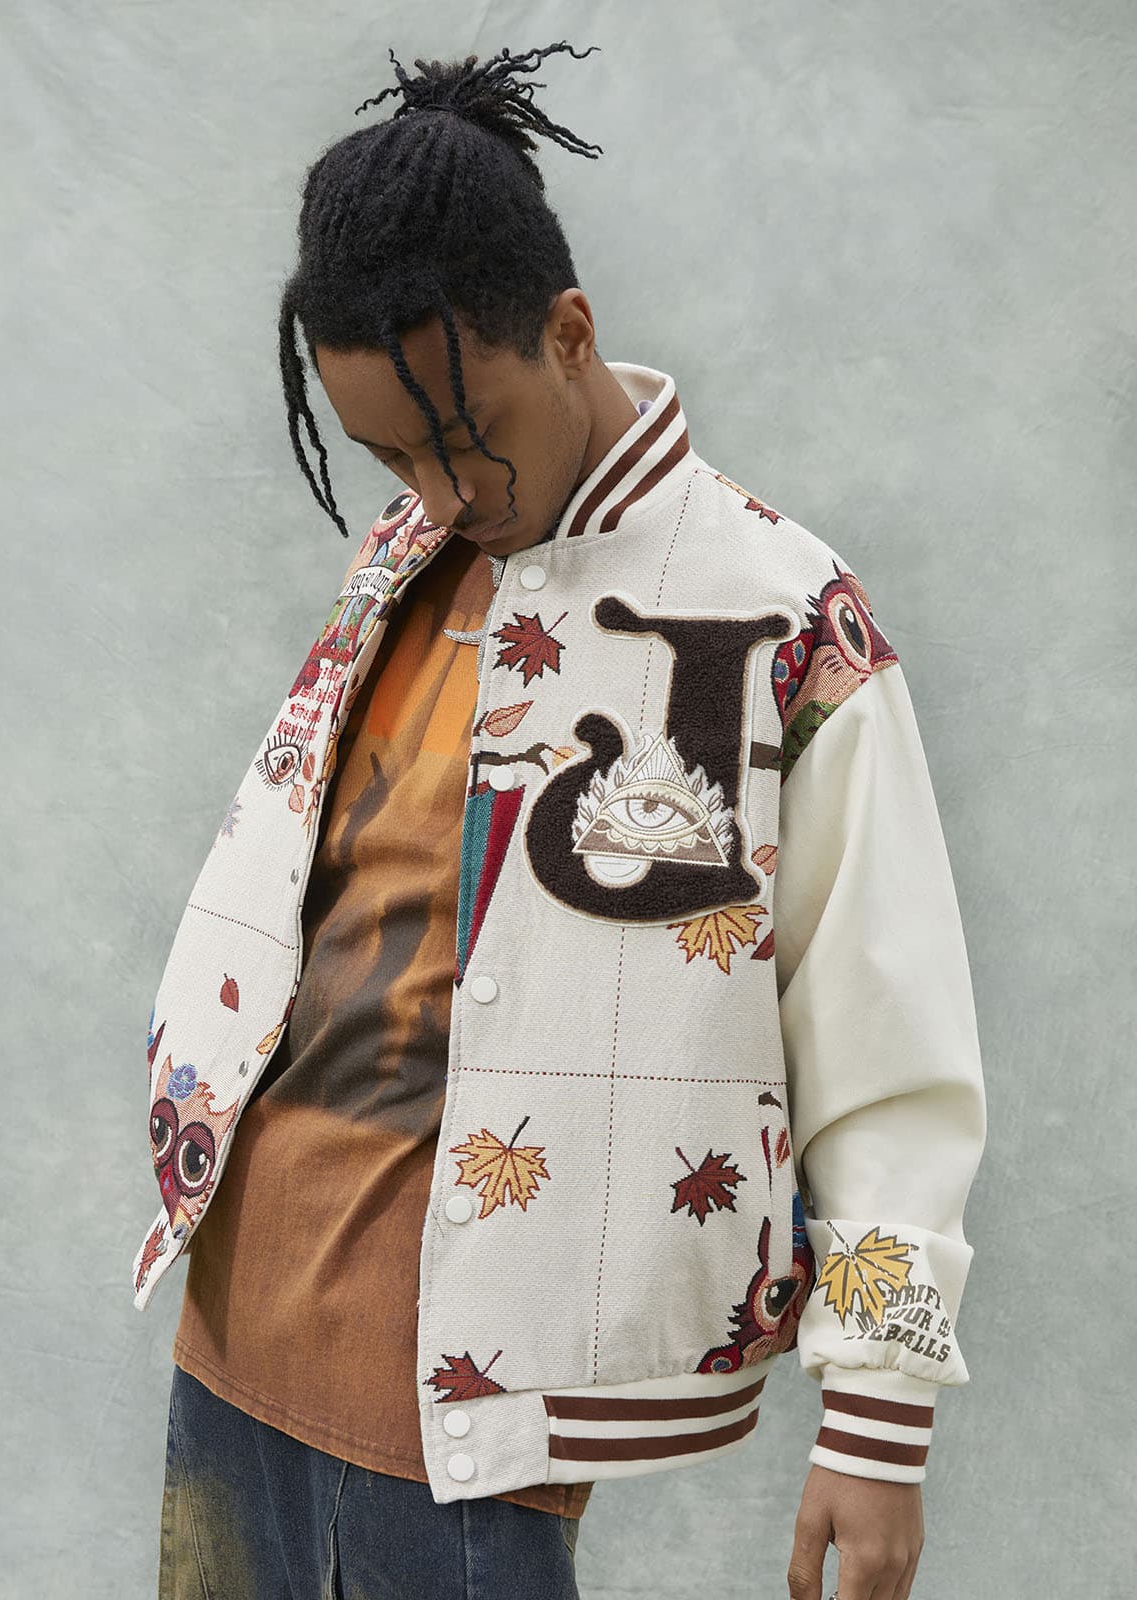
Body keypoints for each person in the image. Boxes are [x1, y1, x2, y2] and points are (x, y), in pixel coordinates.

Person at [138, 42, 988, 1600]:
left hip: (469, 1426)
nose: (439, 492)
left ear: (570, 331)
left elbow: (894, 1058)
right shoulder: (403, 565)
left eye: (463, 436)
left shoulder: (785, 618)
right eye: (391, 456)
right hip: (227, 1350)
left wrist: (882, 1421)